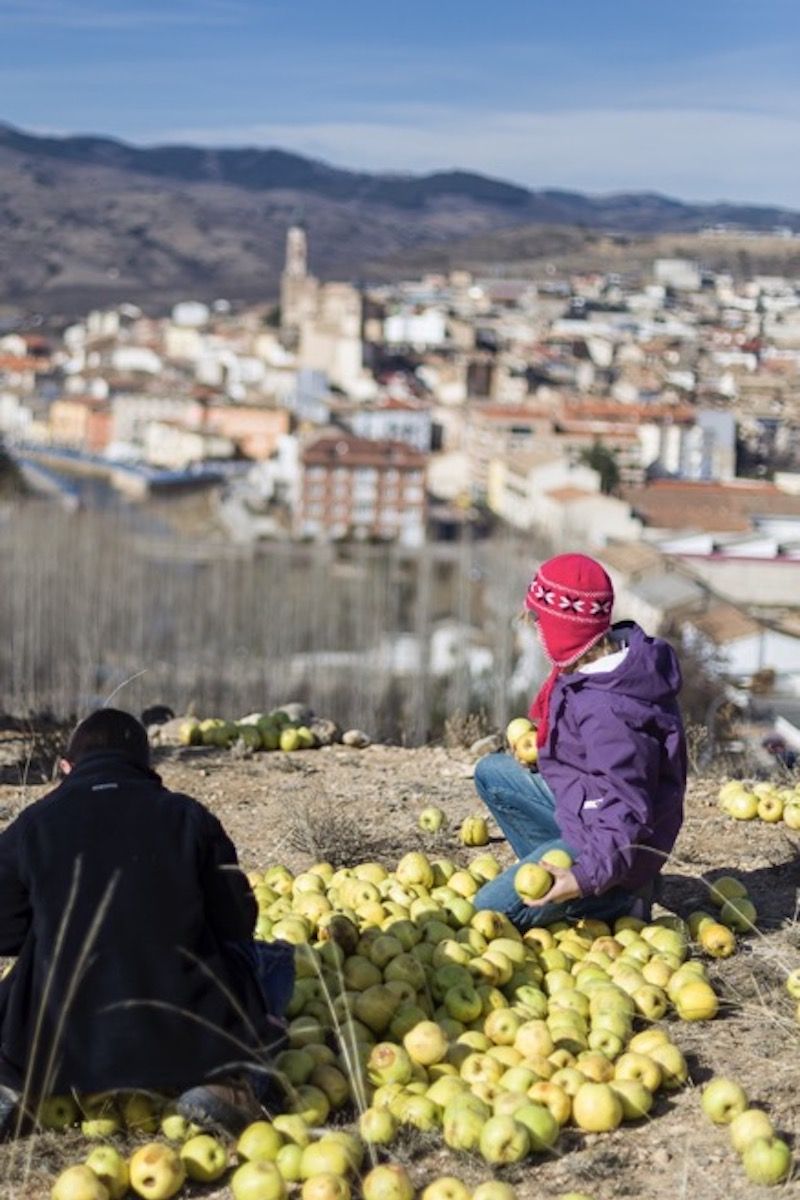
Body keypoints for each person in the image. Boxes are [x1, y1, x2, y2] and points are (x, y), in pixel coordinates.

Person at [0, 708, 292, 1135]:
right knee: (276, 962)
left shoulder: (32, 827)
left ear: (65, 768)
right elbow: (237, 923)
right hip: (190, 1036)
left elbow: (5, 930)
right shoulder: (187, 817)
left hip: (55, 1046)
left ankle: (9, 1087)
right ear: (148, 765)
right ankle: (225, 1083)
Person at [474, 553, 686, 930]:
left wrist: (584, 876)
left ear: (562, 627)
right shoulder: (593, 673)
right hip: (587, 810)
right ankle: (577, 873)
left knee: (486, 911)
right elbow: (597, 764)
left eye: (538, 622)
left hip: (616, 834)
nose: (535, 633)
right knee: (493, 773)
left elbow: (627, 805)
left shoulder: (607, 709)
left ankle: (611, 897)